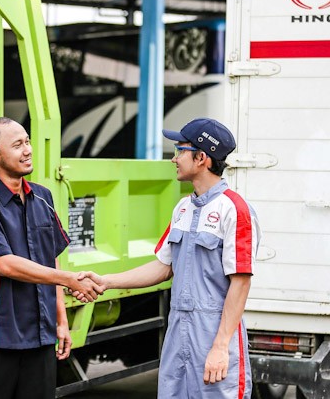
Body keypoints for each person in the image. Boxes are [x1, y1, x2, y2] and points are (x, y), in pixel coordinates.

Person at [77, 117, 260, 399]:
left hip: (213, 332)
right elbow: (163, 267)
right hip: (178, 332)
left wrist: (221, 346)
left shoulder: (234, 210)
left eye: (180, 150)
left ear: (201, 158)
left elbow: (241, 282)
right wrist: (106, 281)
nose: (174, 158)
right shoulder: (183, 208)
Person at [0, 117, 102, 399]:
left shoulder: (43, 197)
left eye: (27, 141)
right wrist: (70, 279)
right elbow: (5, 264)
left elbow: (52, 258)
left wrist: (61, 321)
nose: (27, 150)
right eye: (17, 145)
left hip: (40, 335)